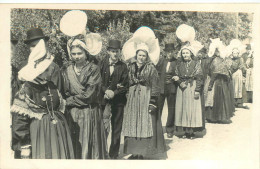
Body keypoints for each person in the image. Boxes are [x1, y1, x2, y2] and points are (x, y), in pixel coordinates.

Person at [11, 28, 74, 159]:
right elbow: (20, 118)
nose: (46, 71)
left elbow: (59, 100)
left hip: (55, 131)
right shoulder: (26, 86)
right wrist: (24, 145)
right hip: (38, 132)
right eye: (32, 46)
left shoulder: (52, 78)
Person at [122, 26, 167, 159]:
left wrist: (153, 102)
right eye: (139, 55)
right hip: (132, 98)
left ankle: (142, 153)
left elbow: (155, 85)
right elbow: (127, 82)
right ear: (136, 55)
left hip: (145, 97)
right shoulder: (130, 67)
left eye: (143, 55)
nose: (141, 58)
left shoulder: (151, 68)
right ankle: (133, 152)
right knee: (132, 123)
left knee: (144, 123)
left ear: (147, 56)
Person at [62, 36, 108, 159]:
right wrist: (68, 100)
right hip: (73, 114)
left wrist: (69, 101)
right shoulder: (67, 70)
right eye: (73, 54)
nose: (77, 57)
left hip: (89, 112)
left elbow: (89, 95)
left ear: (86, 53)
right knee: (75, 144)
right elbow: (65, 91)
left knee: (90, 145)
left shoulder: (94, 69)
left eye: (79, 53)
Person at [99, 39, 129, 159]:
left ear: (120, 52)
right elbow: (97, 81)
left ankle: (114, 153)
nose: (115, 54)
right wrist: (105, 91)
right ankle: (102, 151)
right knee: (103, 126)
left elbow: (125, 85)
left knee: (117, 127)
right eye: (112, 51)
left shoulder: (123, 66)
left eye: (117, 51)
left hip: (118, 101)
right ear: (108, 52)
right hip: (103, 100)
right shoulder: (101, 64)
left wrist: (114, 92)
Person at [172, 45, 204, 139]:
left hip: (192, 86)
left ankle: (192, 131)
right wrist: (179, 82)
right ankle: (185, 131)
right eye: (183, 53)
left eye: (187, 53)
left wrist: (197, 90)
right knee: (183, 108)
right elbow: (176, 75)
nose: (185, 55)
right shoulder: (179, 64)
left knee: (192, 108)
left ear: (191, 53)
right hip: (182, 88)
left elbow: (199, 77)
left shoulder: (196, 63)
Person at [204, 39, 234, 124]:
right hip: (219, 82)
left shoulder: (217, 60)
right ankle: (217, 117)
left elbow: (215, 73)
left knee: (214, 98)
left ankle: (214, 117)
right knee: (216, 98)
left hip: (216, 82)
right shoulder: (219, 59)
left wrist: (210, 84)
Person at [156, 43, 178, 138]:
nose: (169, 53)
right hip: (161, 87)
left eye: (171, 52)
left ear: (174, 52)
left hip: (172, 87)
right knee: (158, 108)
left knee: (171, 109)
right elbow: (155, 72)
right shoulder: (161, 61)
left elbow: (179, 73)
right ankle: (157, 128)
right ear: (165, 52)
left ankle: (169, 129)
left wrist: (177, 77)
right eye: (168, 52)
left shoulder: (177, 62)